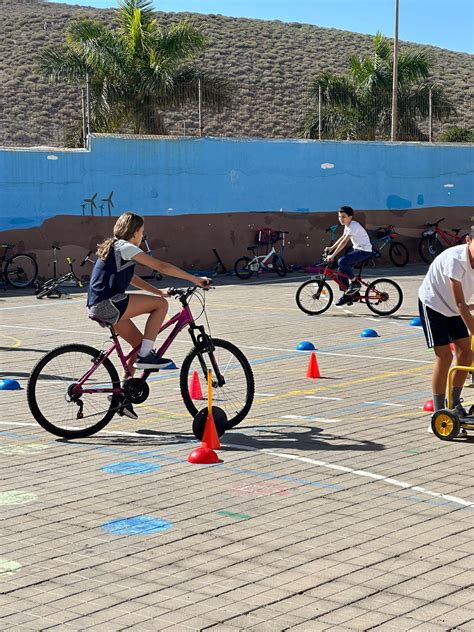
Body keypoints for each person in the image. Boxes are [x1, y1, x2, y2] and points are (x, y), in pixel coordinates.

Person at [87, 212, 211, 419]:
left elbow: (132, 277)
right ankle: (147, 356)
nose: (142, 237)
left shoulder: (116, 248)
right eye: (142, 232)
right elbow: (161, 266)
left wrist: (158, 291)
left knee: (138, 344)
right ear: (134, 232)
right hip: (109, 305)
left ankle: (123, 398)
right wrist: (195, 279)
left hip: (101, 306)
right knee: (160, 306)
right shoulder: (125, 247)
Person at [418, 228, 474, 423]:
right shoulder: (456, 260)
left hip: (455, 308)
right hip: (433, 303)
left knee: (467, 353)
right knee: (444, 356)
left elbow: (461, 305)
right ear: (469, 240)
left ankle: (454, 404)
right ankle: (439, 412)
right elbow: (460, 304)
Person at [326, 206, 373, 306]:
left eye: (343, 216)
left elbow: (344, 243)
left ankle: (355, 282)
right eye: (339, 216)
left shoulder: (354, 226)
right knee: (340, 270)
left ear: (350, 217)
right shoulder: (347, 225)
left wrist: (333, 255)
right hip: (357, 249)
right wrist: (331, 248)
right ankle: (348, 295)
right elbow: (342, 237)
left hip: (364, 251)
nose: (341, 219)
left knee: (342, 261)